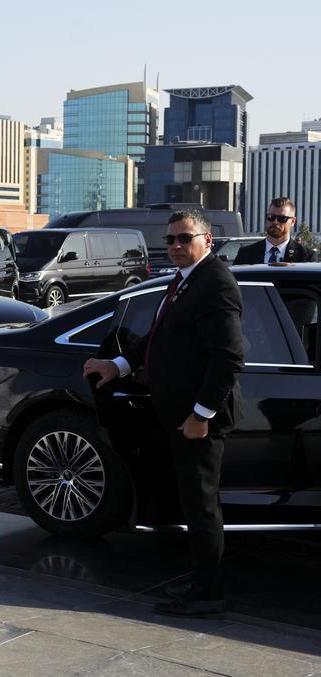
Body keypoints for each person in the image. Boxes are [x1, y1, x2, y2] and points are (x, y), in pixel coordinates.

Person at [83, 209, 243, 617]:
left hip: (197, 420)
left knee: (202, 505)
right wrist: (116, 365)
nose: (175, 246)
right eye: (170, 239)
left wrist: (200, 414)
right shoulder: (185, 280)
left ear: (207, 241)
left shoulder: (215, 283)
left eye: (184, 238)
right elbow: (158, 340)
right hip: (177, 413)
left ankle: (210, 594)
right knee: (191, 502)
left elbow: (228, 357)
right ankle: (202, 578)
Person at [233, 197, 317, 265]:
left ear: (292, 221)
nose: (275, 222)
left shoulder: (306, 257)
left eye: (282, 219)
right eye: (271, 217)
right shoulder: (246, 254)